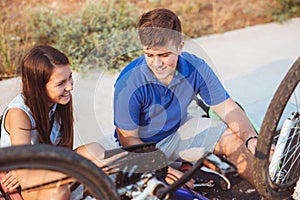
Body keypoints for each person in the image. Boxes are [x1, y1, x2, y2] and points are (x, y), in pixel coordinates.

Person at [113, 8, 258, 187]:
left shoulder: (195, 66)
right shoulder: (128, 82)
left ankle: (272, 194)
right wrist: (162, 169)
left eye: (164, 55)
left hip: (179, 129)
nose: (157, 63)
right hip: (142, 148)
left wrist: (251, 139)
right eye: (149, 55)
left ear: (180, 47)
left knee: (234, 140)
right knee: (175, 190)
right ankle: (188, 171)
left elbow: (228, 108)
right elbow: (127, 140)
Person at [0, 45, 127, 199]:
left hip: (47, 168)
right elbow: (24, 175)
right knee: (60, 190)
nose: (70, 87)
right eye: (61, 84)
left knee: (94, 151)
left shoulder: (61, 101)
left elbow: (65, 152)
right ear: (39, 88)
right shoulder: (19, 114)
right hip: (19, 183)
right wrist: (80, 171)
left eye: (70, 77)